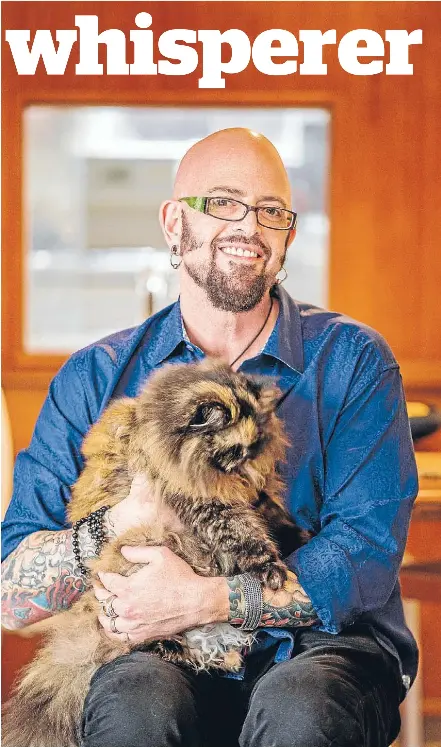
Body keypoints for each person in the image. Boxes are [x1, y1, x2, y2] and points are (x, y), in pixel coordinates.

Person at [1, 128, 418, 747]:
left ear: (287, 235)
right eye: (223, 202)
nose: (249, 226)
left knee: (302, 709)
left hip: (325, 651)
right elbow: (13, 595)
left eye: (272, 211)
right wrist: (119, 522)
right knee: (135, 702)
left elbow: (363, 556)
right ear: (174, 224)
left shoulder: (353, 361)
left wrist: (207, 599)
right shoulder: (96, 377)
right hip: (153, 646)